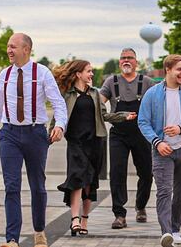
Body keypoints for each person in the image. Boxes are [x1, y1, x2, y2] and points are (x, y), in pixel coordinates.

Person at [0, 33, 67, 247]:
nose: (9, 50)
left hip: (35, 134)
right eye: (8, 46)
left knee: (37, 185)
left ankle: (39, 231)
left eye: (13, 46)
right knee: (11, 185)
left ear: (26, 49)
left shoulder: (42, 73)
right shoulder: (5, 74)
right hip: (9, 134)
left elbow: (58, 103)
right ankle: (12, 240)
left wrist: (60, 125)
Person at [52, 60, 133, 236]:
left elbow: (104, 115)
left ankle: (84, 219)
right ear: (78, 74)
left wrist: (123, 116)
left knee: (89, 183)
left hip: (95, 143)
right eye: (88, 71)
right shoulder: (67, 95)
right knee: (77, 178)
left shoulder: (95, 94)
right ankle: (74, 219)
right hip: (75, 143)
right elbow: (58, 116)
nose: (91, 74)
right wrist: (50, 135)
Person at [138, 54, 181, 247]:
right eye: (179, 69)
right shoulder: (152, 94)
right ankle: (166, 232)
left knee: (180, 194)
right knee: (164, 191)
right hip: (162, 150)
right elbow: (143, 122)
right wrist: (157, 142)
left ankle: (175, 229)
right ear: (168, 70)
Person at [99, 48, 156, 229]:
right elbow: (98, 102)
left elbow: (158, 103)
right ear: (119, 62)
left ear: (136, 62)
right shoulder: (111, 81)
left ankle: (141, 206)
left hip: (142, 133)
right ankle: (119, 214)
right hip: (119, 134)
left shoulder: (147, 82)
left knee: (146, 173)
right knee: (117, 172)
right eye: (123, 58)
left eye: (130, 58)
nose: (126, 61)